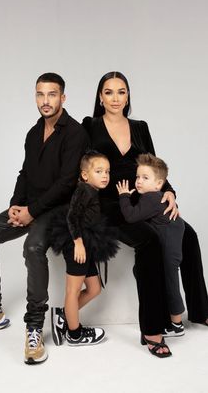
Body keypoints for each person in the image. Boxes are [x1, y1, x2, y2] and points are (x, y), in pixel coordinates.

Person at [82, 71, 208, 358]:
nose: (116, 98)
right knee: (149, 242)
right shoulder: (90, 125)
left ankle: (200, 310)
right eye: (109, 92)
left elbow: (153, 164)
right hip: (110, 204)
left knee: (188, 234)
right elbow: (83, 170)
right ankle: (152, 329)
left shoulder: (140, 126)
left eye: (122, 91)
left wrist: (169, 191)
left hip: (146, 197)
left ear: (128, 96)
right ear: (100, 97)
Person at [0, 72, 89, 365]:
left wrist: (32, 212)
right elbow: (25, 173)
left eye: (52, 95)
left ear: (63, 97)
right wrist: (15, 204)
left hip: (57, 210)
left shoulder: (75, 133)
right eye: (40, 94)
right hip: (29, 206)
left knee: (33, 248)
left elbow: (66, 183)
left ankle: (34, 327)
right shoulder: (33, 132)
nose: (45, 101)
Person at [50, 151, 118, 346]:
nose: (105, 175)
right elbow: (72, 217)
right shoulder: (84, 190)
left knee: (95, 288)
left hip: (86, 243)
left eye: (107, 171)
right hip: (76, 243)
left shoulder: (92, 191)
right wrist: (78, 243)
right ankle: (74, 333)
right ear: (85, 175)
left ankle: (63, 316)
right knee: (73, 291)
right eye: (99, 171)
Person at [117, 153, 185, 337]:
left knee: (170, 281)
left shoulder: (152, 198)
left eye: (145, 178)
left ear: (158, 184)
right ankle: (170, 319)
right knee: (147, 273)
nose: (138, 181)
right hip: (170, 240)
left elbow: (131, 217)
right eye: (138, 177)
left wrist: (123, 196)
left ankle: (177, 325)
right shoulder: (153, 196)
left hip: (170, 246)